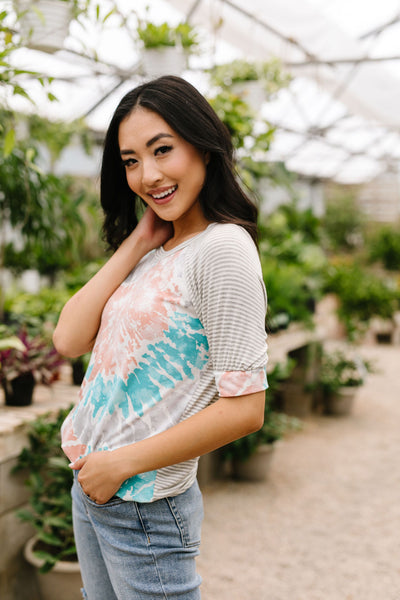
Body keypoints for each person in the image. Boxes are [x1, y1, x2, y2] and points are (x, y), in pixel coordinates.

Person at [53, 75, 268, 600]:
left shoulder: (224, 250)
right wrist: (138, 242)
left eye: (162, 150)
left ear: (205, 145)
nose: (147, 175)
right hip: (96, 488)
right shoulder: (157, 250)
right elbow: (67, 338)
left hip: (144, 501)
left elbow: (246, 408)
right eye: (130, 161)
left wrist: (119, 465)